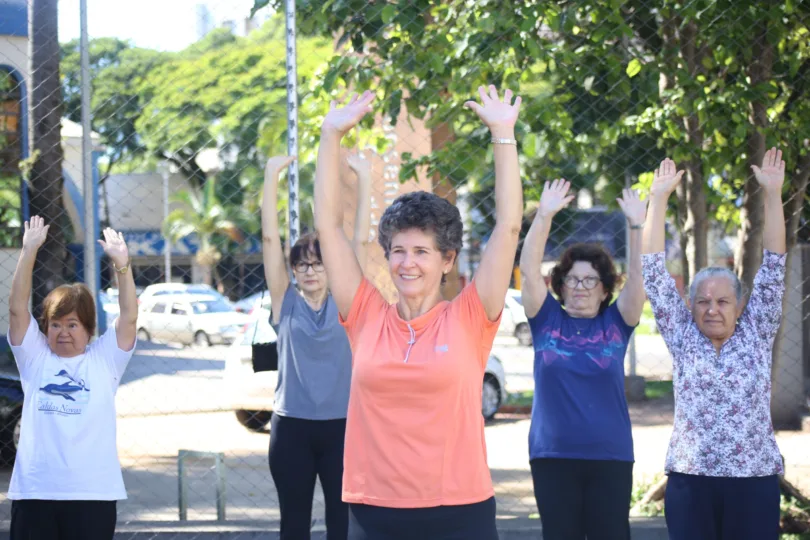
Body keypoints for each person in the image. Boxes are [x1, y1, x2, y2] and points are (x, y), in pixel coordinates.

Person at [312, 85, 522, 540]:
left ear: (447, 260)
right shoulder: (365, 313)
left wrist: (503, 134)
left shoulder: (469, 316)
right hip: (374, 509)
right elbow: (327, 226)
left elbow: (507, 227)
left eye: (422, 252)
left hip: (459, 509)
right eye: (398, 250)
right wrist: (330, 135)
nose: (408, 263)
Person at [641, 150, 787, 540]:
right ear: (689, 305)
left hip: (753, 481)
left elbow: (774, 264)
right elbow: (653, 271)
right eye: (702, 301)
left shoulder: (757, 331)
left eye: (722, 301)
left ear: (739, 305)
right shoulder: (683, 334)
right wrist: (657, 199)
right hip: (691, 481)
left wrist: (772, 194)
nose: (712, 310)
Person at [519, 179, 647, 539]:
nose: (580, 287)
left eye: (590, 281)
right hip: (552, 457)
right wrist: (543, 215)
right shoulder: (546, 321)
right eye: (572, 280)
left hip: (610, 457)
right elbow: (529, 270)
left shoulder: (617, 325)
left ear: (605, 290)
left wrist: (637, 226)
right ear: (559, 286)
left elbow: (637, 278)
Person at [261, 151, 371, 540]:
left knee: (342, 524)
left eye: (318, 263)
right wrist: (272, 175)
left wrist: (366, 177)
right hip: (291, 428)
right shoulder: (284, 300)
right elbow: (270, 237)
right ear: (294, 270)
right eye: (302, 264)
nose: (310, 270)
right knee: (294, 523)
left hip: (342, 428)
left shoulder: (347, 302)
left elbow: (358, 239)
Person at [7, 218, 138, 540]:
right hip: (35, 492)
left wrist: (123, 266)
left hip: (92, 494)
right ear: (46, 327)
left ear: (89, 329)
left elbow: (130, 316)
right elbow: (16, 310)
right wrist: (28, 251)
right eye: (55, 325)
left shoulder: (105, 360)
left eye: (73, 324)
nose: (63, 333)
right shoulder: (34, 358)